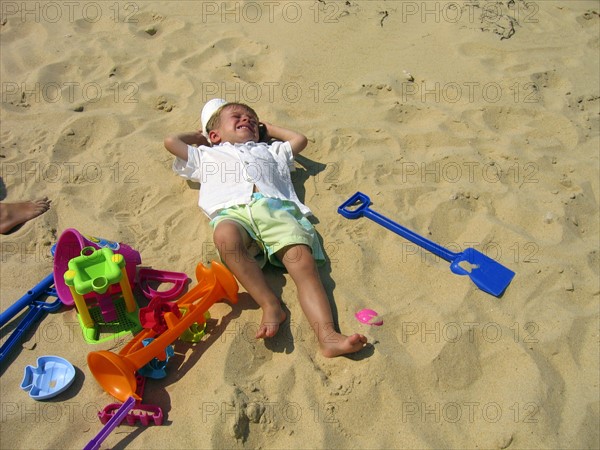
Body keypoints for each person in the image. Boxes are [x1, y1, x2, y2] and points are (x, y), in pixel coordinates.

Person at [164, 99, 367, 357]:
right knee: (224, 236)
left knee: (303, 266)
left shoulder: (270, 151)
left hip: (275, 210)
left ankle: (328, 336)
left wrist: (268, 129)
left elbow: (299, 140)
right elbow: (171, 142)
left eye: (252, 118)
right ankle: (270, 303)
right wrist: (199, 137)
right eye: (236, 116)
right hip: (232, 212)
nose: (247, 120)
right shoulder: (206, 155)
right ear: (214, 134)